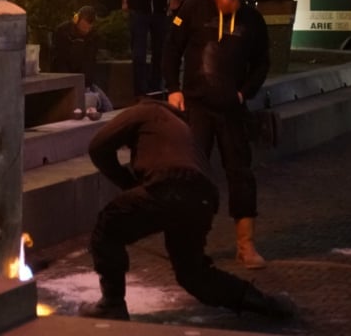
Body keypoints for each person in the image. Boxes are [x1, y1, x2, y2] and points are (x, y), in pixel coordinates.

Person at [80, 97, 295, 322]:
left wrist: (127, 183)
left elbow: (98, 147)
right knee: (193, 274)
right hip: (203, 197)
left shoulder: (146, 111)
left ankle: (112, 303)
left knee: (108, 227)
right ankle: (267, 304)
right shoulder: (183, 129)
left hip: (169, 185)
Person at [162, 0, 271, 269]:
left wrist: (245, 91)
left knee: (241, 173)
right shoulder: (193, 10)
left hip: (232, 107)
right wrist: (173, 87)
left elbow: (263, 62)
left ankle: (245, 244)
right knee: (192, 174)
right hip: (197, 105)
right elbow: (171, 48)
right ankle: (188, 244)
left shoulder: (251, 19)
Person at [51, 5, 99, 81]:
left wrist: (84, 82)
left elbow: (90, 61)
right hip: (62, 77)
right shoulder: (62, 31)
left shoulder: (93, 36)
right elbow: (59, 59)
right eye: (83, 26)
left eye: (89, 28)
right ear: (76, 19)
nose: (86, 30)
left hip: (83, 79)